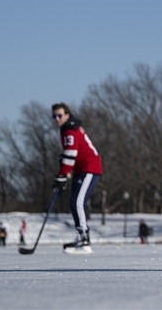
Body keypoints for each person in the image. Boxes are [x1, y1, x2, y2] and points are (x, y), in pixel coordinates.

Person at [52, 102, 103, 254]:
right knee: (74, 203)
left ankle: (84, 239)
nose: (57, 119)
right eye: (54, 116)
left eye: (59, 115)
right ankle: (80, 236)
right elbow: (70, 154)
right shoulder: (66, 129)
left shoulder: (70, 130)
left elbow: (71, 155)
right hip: (80, 169)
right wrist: (64, 172)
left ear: (67, 115)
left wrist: (62, 174)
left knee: (77, 202)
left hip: (89, 168)